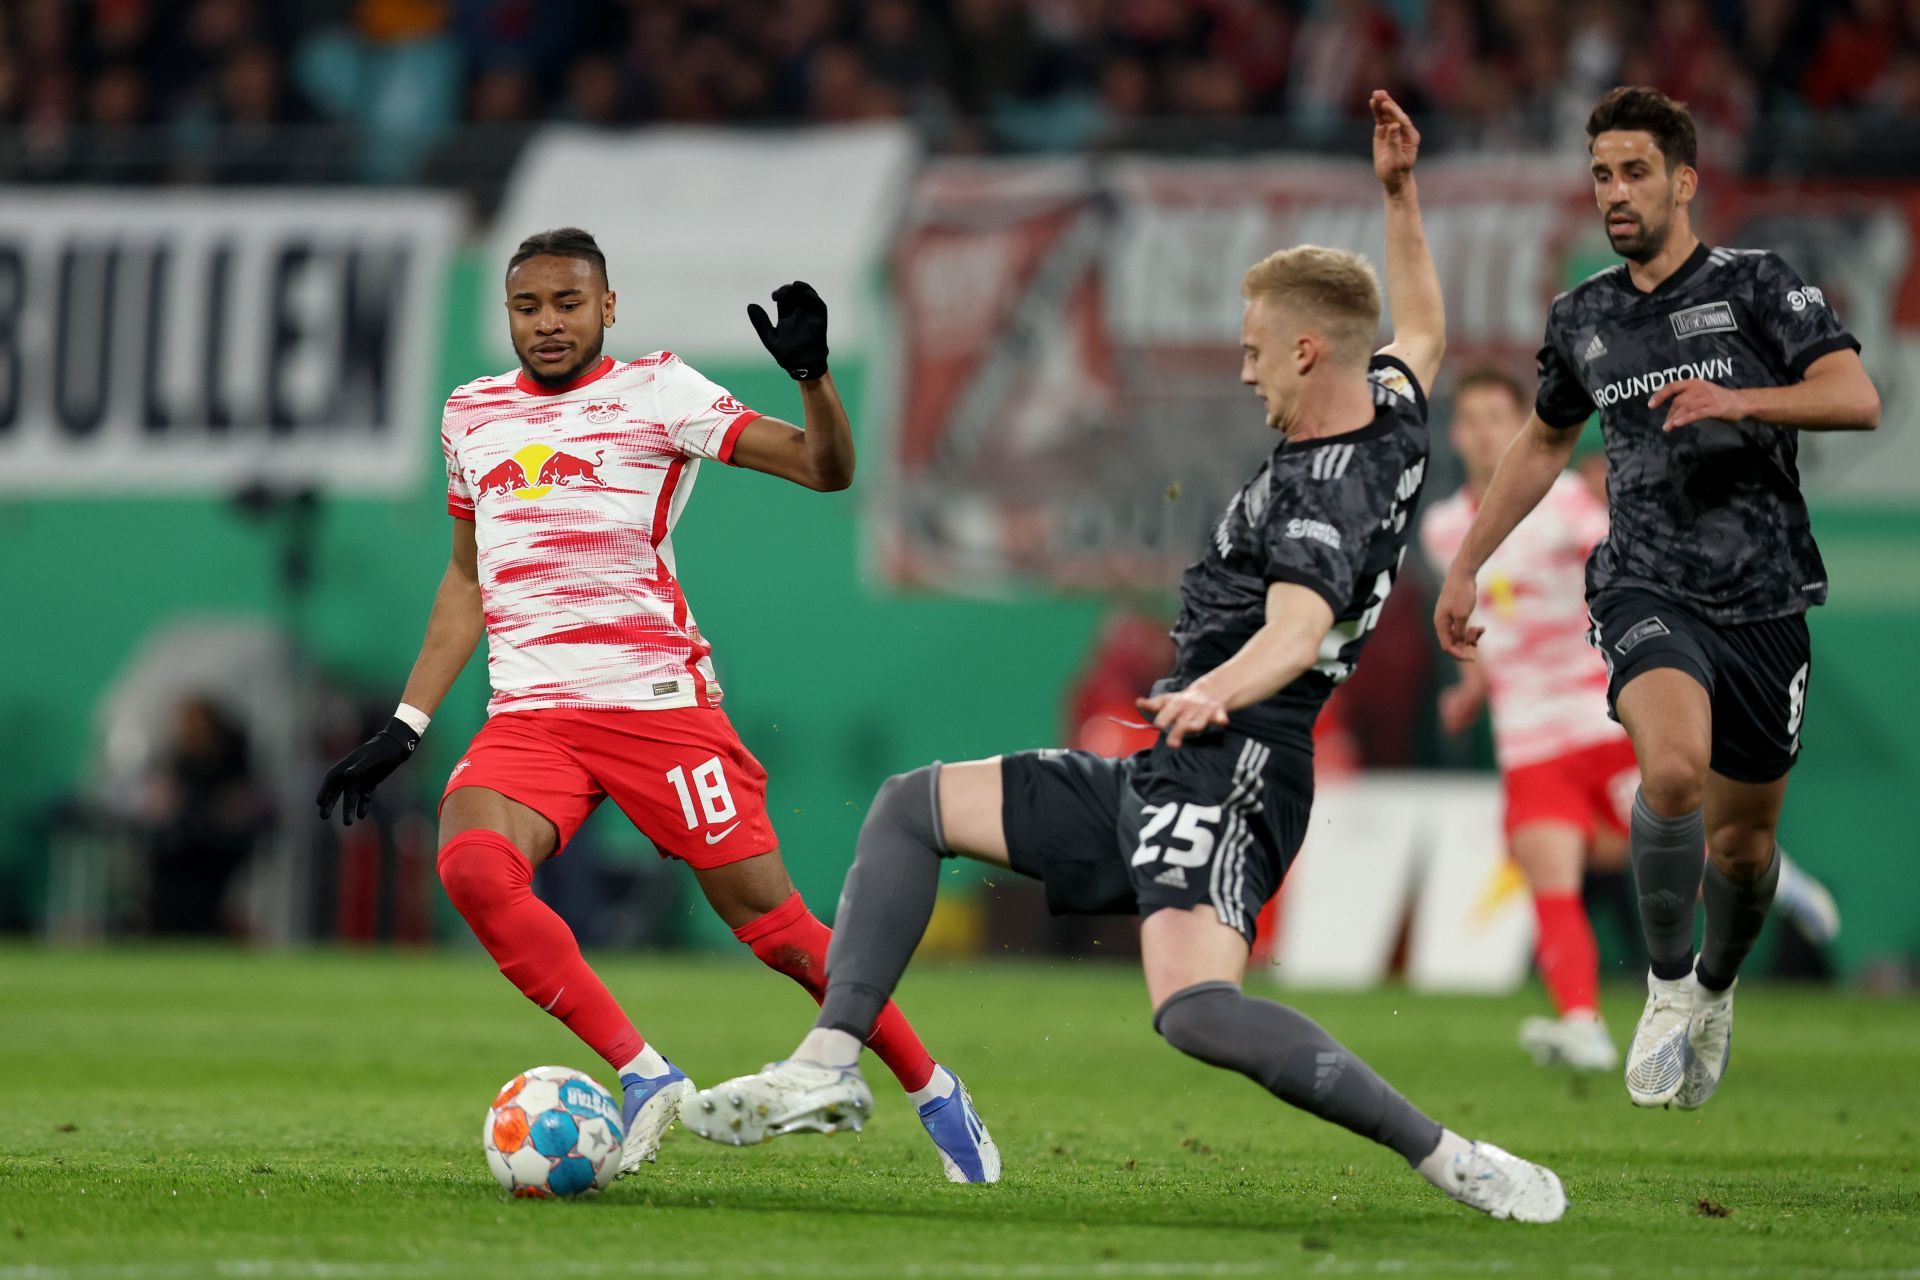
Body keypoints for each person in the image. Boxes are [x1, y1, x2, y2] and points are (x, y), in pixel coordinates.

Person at [692, 93, 1566, 1223]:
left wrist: (1213, 689)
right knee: (914, 807)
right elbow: (1427, 332)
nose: (1248, 374)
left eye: (1256, 352)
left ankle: (1453, 1156)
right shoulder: (1390, 409)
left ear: (1306, 349)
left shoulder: (1322, 489)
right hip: (1174, 754)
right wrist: (1400, 196)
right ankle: (826, 1064)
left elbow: (1297, 630)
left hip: (1239, 761)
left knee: (1196, 1009)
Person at [315, 228, 995, 1182]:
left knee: (780, 934)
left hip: (657, 710)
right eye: (527, 307)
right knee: (472, 864)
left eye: (567, 303)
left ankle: (933, 1088)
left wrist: (813, 377)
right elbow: (467, 581)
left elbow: (824, 467)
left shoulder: (659, 393)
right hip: (532, 717)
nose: (547, 324)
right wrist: (406, 724)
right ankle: (645, 1075)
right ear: (507, 315)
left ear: (608, 307)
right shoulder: (469, 414)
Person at [1433, 86, 1878, 1110]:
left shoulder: (1758, 285)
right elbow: (1545, 438)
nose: (1615, 192)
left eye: (1634, 172)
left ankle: (1716, 987)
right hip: (1644, 581)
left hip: (1765, 598)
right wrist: (1467, 564)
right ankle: (1668, 981)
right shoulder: (1583, 316)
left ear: (1684, 180)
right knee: (1670, 772)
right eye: (1600, 174)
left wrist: (1743, 398)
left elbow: (1856, 395)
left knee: (1744, 845)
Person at [1422, 368, 1841, 1073]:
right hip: (1527, 736)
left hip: (1600, 718)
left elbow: (1633, 566)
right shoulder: (1443, 532)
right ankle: (1582, 1023)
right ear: (1457, 432)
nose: (1487, 432)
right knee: (1546, 867)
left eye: (1500, 417)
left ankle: (1775, 874)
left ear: (1521, 422)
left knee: (1679, 844)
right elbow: (1482, 620)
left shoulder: (1564, 506)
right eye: (1473, 420)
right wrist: (1469, 686)